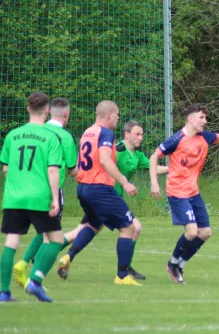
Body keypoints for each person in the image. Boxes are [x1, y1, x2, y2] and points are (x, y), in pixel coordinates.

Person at [150, 103, 219, 284]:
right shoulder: (176, 139)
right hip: (177, 192)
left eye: (205, 117)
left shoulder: (204, 137)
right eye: (201, 117)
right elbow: (154, 157)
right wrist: (154, 184)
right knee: (191, 232)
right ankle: (172, 264)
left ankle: (180, 265)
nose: (205, 121)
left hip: (193, 192)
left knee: (205, 233)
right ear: (190, 118)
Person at [57, 120, 168, 280]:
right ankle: (125, 270)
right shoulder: (118, 150)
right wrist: (121, 182)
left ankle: (50, 255)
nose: (141, 138)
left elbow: (153, 168)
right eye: (137, 134)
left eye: (142, 134)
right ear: (126, 134)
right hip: (104, 195)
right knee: (134, 227)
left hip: (100, 195)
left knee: (83, 230)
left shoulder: (137, 155)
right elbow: (103, 161)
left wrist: (175, 169)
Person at [0, 92, 63, 302]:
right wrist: (55, 198)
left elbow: (6, 169)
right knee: (56, 239)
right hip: (38, 197)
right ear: (47, 111)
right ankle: (36, 280)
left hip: (14, 197)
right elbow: (53, 170)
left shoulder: (12, 135)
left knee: (11, 241)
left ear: (27, 109)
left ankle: (4, 292)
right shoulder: (51, 137)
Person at [69, 100, 142, 286]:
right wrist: (124, 182)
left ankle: (68, 257)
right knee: (129, 227)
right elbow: (104, 159)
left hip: (83, 187)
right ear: (109, 115)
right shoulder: (106, 132)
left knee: (93, 224)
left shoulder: (88, 131)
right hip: (99, 187)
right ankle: (122, 276)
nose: (118, 118)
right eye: (117, 114)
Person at [12, 98, 78, 288]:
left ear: (49, 112)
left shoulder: (37, 130)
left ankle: (23, 263)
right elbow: (72, 170)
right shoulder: (65, 137)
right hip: (50, 190)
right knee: (51, 235)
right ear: (66, 114)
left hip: (25, 187)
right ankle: (33, 276)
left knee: (42, 232)